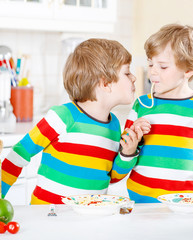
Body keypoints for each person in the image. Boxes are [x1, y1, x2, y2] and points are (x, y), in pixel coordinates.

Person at [1, 38, 143, 204]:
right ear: (105, 83)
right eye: (127, 73)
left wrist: (127, 153)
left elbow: (112, 177)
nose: (133, 78)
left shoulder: (114, 126)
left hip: (86, 220)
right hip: (48, 217)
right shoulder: (63, 117)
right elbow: (19, 153)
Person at [123, 23, 193, 203]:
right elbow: (121, 160)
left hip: (182, 203)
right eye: (151, 64)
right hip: (139, 201)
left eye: (163, 67)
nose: (152, 71)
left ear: (189, 70)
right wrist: (131, 143)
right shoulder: (142, 104)